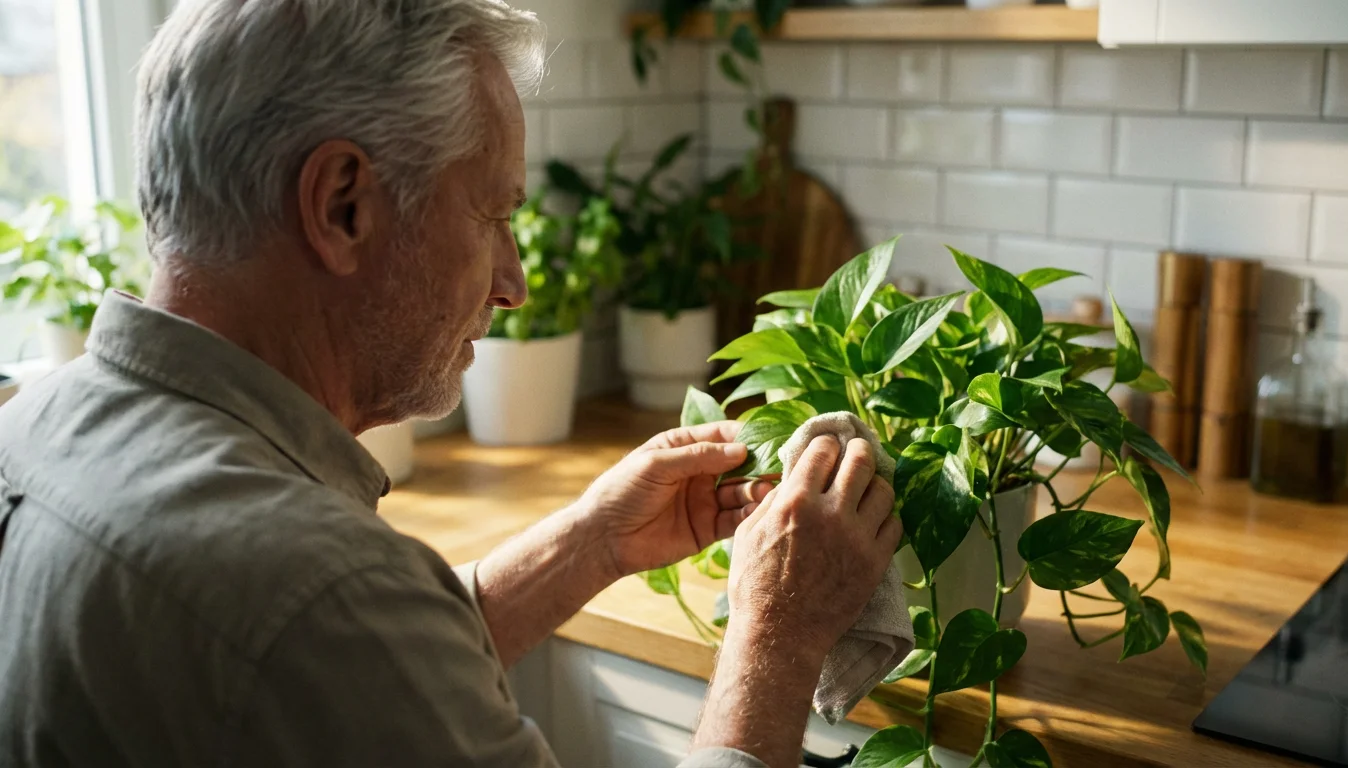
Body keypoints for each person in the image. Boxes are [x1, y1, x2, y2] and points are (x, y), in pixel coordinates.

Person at [0, 1, 900, 766]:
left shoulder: (36, 423)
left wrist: (590, 543)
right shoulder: (319, 591)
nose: (514, 281)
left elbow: (349, 673)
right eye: (493, 215)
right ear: (343, 205)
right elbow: (340, 631)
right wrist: (773, 640)